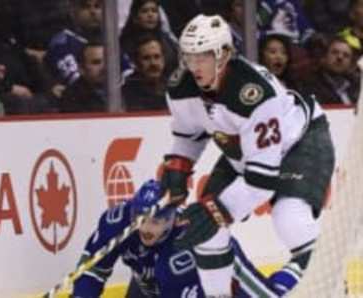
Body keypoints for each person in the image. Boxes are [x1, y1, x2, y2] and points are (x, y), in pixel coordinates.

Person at [159, 14, 335, 296]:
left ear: (225, 54)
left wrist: (219, 210)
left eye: (203, 56)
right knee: (207, 230)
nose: (194, 66)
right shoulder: (181, 86)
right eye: (189, 56)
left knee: (289, 218)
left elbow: (261, 181)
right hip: (245, 151)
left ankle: (333, 282)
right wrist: (178, 166)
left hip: (299, 142)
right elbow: (188, 135)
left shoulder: (254, 93)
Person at [72, 180, 297, 298]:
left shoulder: (184, 247)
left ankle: (298, 268)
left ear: (171, 220)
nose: (146, 228)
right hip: (151, 285)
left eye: (156, 222)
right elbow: (93, 270)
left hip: (221, 273)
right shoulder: (117, 222)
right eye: (141, 219)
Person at [303, 36, 360, 105]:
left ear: (350, 63)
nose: (340, 57)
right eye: (334, 52)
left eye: (346, 55)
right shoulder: (311, 84)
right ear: (324, 57)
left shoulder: (356, 85)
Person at [122, 34, 168, 111]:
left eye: (157, 57)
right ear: (136, 62)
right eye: (146, 58)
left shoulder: (173, 89)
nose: (153, 63)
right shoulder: (126, 95)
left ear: (163, 59)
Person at [58, 41, 106, 113]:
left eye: (109, 61)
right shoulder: (72, 97)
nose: (105, 67)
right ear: (81, 68)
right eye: (96, 62)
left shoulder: (125, 89)